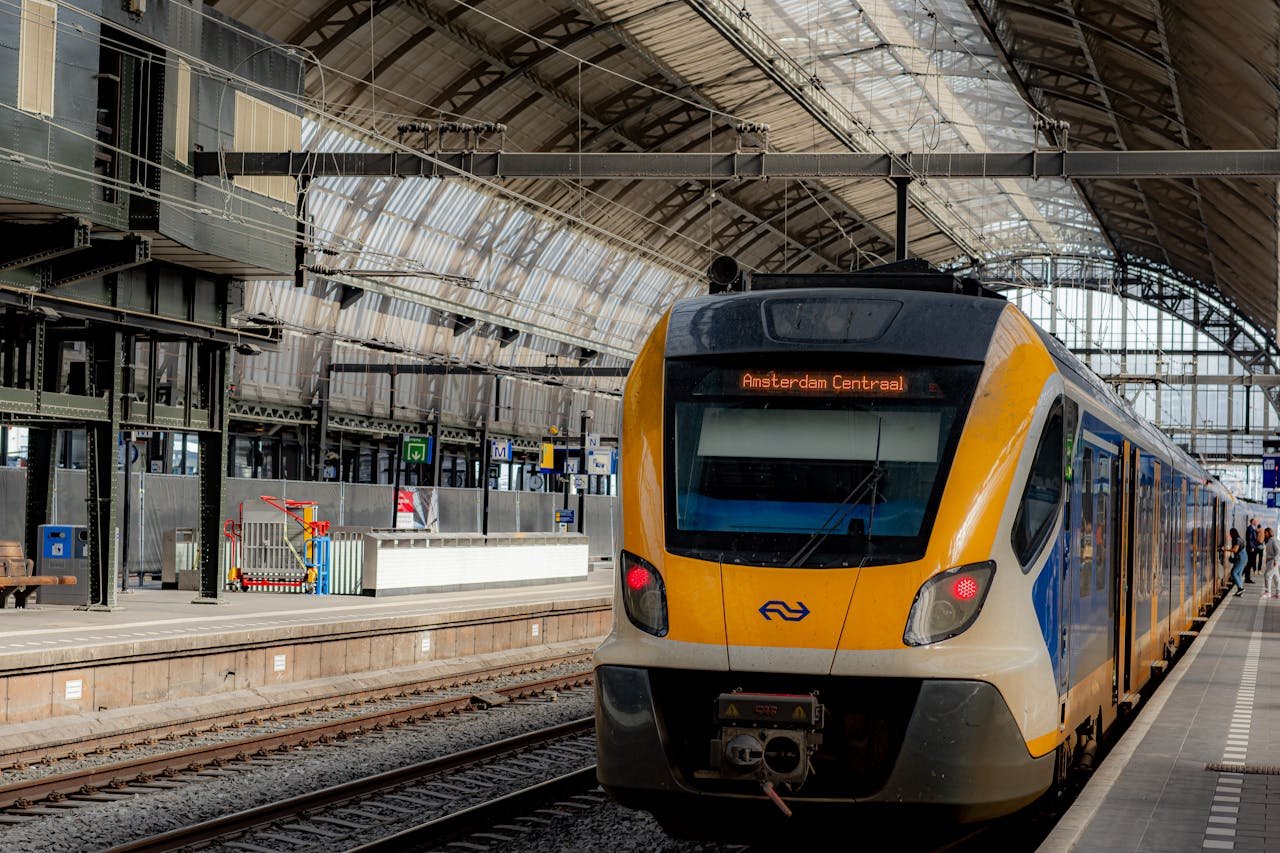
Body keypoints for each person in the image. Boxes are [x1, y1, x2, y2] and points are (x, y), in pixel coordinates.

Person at [1225, 528, 1246, 597]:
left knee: (1233, 573)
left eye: (1231, 534)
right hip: (1243, 557)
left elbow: (1235, 550)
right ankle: (1240, 591)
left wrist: (1224, 549)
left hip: (1241, 557)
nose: (1230, 535)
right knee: (1239, 574)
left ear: (1233, 533)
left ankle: (1240, 588)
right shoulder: (1239, 539)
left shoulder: (1237, 540)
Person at [1265, 528, 1280, 599]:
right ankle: (1278, 593)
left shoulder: (1273, 540)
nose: (1265, 534)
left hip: (1273, 561)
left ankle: (1268, 592)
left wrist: (1275, 560)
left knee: (1267, 575)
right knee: (1276, 577)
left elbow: (1278, 551)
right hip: (1271, 561)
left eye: (1266, 533)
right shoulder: (1270, 540)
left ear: (1269, 532)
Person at [1245, 518, 1260, 583]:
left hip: (1253, 547)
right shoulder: (1250, 528)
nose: (1256, 522)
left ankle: (1247, 578)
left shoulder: (1253, 528)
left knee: (1250, 563)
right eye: (1255, 521)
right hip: (1251, 548)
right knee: (1249, 563)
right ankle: (1247, 578)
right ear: (1252, 522)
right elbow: (1250, 538)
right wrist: (1252, 547)